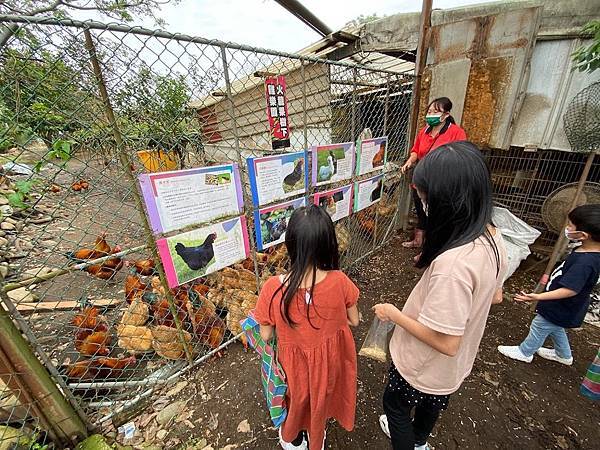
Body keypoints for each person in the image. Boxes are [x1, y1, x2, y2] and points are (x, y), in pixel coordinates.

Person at [373, 141, 507, 450]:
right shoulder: (491, 235)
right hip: (451, 370)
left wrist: (394, 315)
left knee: (395, 406)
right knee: (431, 404)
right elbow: (496, 296)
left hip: (423, 365)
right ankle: (420, 442)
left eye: (423, 195)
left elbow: (447, 342)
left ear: (448, 200)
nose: (421, 202)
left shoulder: (454, 265)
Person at [254, 204, 360, 450]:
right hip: (330, 363)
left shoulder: (273, 288)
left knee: (297, 399)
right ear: (328, 243)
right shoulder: (340, 281)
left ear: (290, 243)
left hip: (294, 366)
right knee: (320, 397)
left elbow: (266, 334)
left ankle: (294, 437)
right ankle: (316, 436)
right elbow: (354, 320)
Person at [498, 204, 600, 365]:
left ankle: (525, 352)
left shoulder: (585, 262)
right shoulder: (587, 251)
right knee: (555, 327)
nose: (567, 227)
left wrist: (538, 296)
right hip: (567, 305)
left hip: (562, 304)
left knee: (540, 325)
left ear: (583, 235)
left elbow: (570, 290)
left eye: (571, 225)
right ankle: (564, 355)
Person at [401, 97, 467, 258]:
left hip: (441, 181)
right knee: (421, 212)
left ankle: (430, 250)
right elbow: (416, 150)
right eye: (429, 111)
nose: (430, 114)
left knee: (437, 215)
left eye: (435, 112)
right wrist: (410, 162)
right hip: (422, 179)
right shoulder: (424, 131)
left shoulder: (456, 132)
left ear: (446, 114)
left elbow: (461, 155)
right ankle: (418, 241)